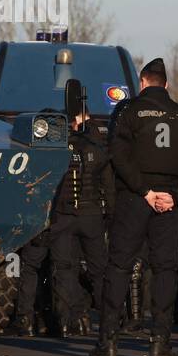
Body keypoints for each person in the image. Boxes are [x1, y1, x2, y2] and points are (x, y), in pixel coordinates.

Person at [90, 58, 178, 356]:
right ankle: (160, 342)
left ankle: (108, 342)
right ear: (166, 85)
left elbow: (117, 154)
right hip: (169, 201)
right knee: (166, 269)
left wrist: (144, 190)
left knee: (119, 266)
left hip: (134, 197)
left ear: (142, 83)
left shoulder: (127, 111)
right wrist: (175, 196)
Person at [50, 102, 112, 336]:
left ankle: (69, 320)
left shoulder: (57, 150)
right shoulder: (98, 149)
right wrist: (111, 217)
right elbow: (109, 187)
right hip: (92, 215)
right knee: (98, 270)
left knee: (65, 269)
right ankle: (107, 321)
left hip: (63, 217)